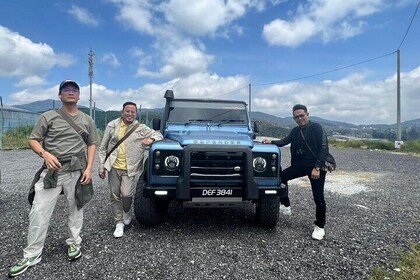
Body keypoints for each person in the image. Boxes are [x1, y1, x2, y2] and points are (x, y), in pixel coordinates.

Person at [9, 80, 99, 277]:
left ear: (79, 95)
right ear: (60, 95)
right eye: (66, 90)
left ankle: (74, 243)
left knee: (76, 208)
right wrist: (45, 154)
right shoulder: (47, 117)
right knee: (38, 211)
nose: (70, 92)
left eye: (74, 90)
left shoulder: (86, 120)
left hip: (76, 170)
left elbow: (92, 143)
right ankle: (32, 254)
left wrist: (89, 168)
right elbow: (33, 139)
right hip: (52, 172)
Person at [263, 104, 329, 240]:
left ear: (307, 114)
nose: (299, 119)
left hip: (316, 167)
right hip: (300, 165)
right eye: (296, 117)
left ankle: (320, 226)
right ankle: (286, 204)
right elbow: (284, 141)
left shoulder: (316, 127)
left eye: (301, 116)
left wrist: (317, 168)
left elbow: (324, 149)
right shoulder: (296, 131)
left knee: (318, 197)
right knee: (281, 177)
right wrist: (271, 142)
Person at [98, 101, 162, 238]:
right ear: (122, 112)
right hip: (113, 166)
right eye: (127, 111)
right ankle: (119, 223)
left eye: (133, 112)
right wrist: (101, 166)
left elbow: (159, 135)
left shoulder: (140, 128)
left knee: (126, 194)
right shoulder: (112, 125)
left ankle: (126, 211)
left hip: (130, 167)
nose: (130, 114)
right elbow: (103, 148)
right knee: (114, 195)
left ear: (135, 114)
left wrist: (151, 139)